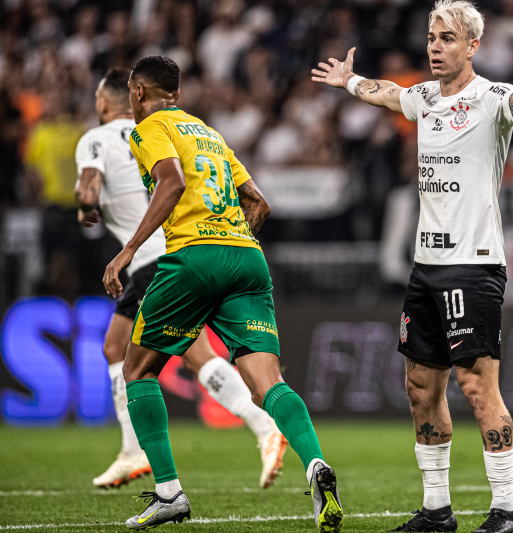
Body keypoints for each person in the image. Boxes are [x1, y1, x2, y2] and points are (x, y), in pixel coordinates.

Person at [312, 0, 513, 533]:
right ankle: (437, 510)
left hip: (474, 265)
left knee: (479, 386)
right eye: (432, 39)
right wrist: (350, 81)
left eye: (447, 40)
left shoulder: (492, 99)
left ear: (472, 46)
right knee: (420, 387)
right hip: (426, 266)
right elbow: (390, 93)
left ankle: (505, 511)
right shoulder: (425, 99)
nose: (435, 48)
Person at [102, 56, 342, 531]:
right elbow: (259, 201)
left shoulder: (149, 127)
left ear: (137, 93)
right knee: (267, 384)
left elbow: (170, 182)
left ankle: (169, 493)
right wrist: (233, 242)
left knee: (137, 369)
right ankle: (315, 464)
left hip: (195, 256)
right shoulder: (208, 132)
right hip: (247, 259)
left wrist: (128, 250)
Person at [76, 68, 288, 490]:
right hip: (188, 253)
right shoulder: (178, 129)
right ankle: (133, 449)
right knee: (116, 347)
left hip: (161, 258)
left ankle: (264, 427)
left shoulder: (96, 139)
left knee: (192, 358)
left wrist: (87, 212)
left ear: (106, 102)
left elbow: (87, 192)